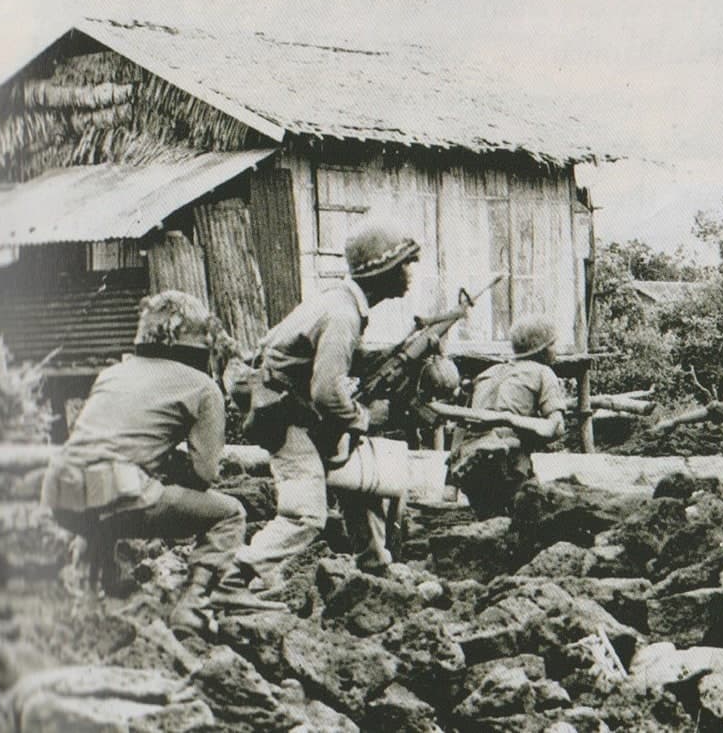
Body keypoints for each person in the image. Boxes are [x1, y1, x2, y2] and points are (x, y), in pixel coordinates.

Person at [40, 290, 246, 634]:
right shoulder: (203, 387)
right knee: (230, 514)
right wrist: (174, 470)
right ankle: (193, 606)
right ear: (196, 340)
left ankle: (87, 605)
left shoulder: (113, 373)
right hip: (117, 488)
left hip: (59, 486)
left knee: (101, 518)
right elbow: (206, 473)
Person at [231, 220, 421, 590]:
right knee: (305, 515)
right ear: (380, 272)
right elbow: (325, 393)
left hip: (290, 406)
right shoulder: (343, 315)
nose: (408, 272)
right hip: (285, 414)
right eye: (403, 265)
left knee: (357, 480)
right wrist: (364, 417)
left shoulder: (339, 303)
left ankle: (375, 563)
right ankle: (233, 572)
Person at [446, 314, 566, 518]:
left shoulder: (487, 373)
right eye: (553, 344)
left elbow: (461, 427)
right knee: (533, 516)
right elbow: (556, 428)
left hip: (470, 468)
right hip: (509, 468)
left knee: (487, 521)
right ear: (540, 347)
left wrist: (449, 486)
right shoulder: (543, 373)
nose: (557, 350)